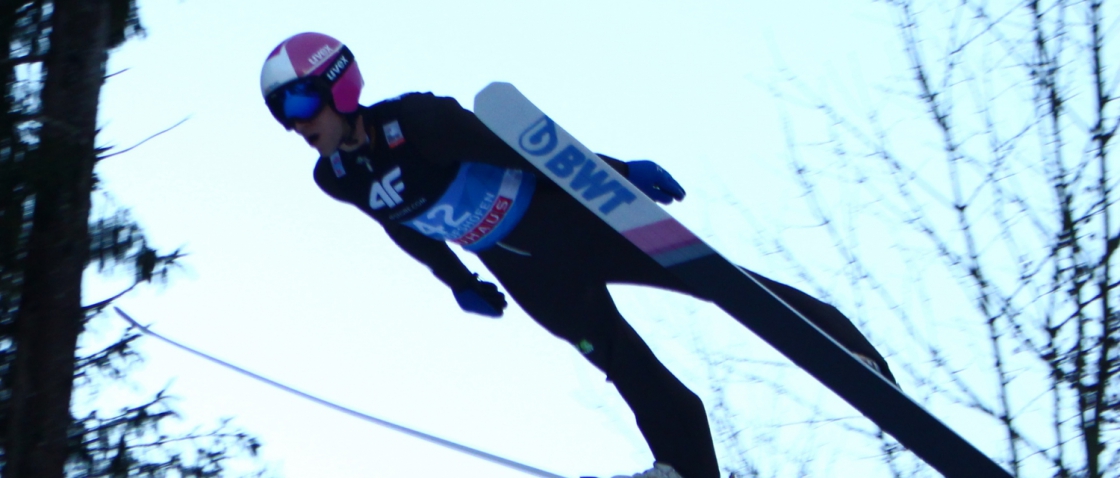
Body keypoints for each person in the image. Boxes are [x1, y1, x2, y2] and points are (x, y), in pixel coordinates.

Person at [259, 32, 894, 478]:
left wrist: (618, 174)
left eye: (300, 102)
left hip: (570, 225)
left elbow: (526, 152)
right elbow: (401, 226)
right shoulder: (335, 178)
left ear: (340, 86)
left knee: (719, 283)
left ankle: (847, 348)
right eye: (281, 114)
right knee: (624, 364)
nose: (295, 124)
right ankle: (684, 469)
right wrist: (458, 281)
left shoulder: (419, 122)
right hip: (526, 271)